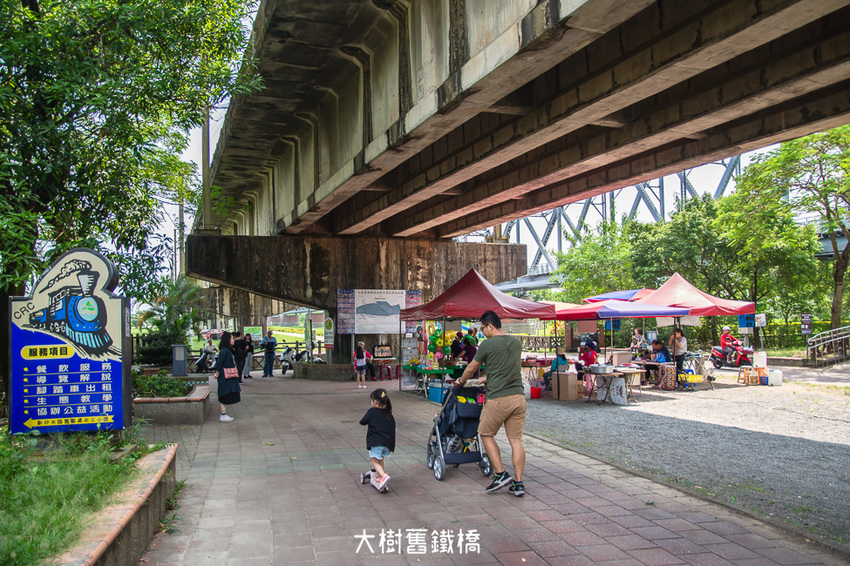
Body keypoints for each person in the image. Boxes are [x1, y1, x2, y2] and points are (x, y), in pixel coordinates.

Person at [456, 310, 526, 497]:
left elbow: (471, 367)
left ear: (490, 326)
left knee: (485, 433)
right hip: (518, 397)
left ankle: (501, 473)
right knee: (515, 440)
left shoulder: (487, 344)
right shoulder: (516, 343)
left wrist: (461, 381)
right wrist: (487, 378)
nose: (482, 332)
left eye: (483, 328)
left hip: (498, 399)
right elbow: (506, 368)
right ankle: (519, 484)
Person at [359, 388, 395, 490]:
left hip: (376, 442)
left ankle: (383, 476)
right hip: (387, 443)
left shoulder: (372, 411)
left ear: (374, 402)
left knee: (374, 461)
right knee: (380, 459)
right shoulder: (388, 413)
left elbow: (362, 421)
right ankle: (379, 477)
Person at [213, 331, 240, 422]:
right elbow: (220, 362)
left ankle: (223, 414)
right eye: (232, 338)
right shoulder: (225, 351)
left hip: (228, 376)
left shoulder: (228, 350)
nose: (233, 340)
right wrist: (217, 372)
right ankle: (223, 414)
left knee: (226, 393)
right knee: (224, 393)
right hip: (225, 376)